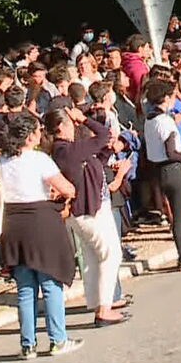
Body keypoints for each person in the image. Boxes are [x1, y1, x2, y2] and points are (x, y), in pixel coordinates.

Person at [0, 114, 84, 359]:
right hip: (41, 222)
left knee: (25, 287)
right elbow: (67, 188)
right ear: (30, 135)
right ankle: (57, 339)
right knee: (50, 282)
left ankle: (28, 344)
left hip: (13, 223)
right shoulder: (39, 159)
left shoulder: (2, 161)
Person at [47, 108, 129, 325]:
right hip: (88, 210)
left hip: (89, 208)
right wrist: (83, 118)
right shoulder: (66, 150)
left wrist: (107, 152)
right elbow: (104, 134)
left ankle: (98, 303)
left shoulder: (67, 151)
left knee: (93, 257)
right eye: (72, 124)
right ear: (63, 127)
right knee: (110, 255)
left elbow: (93, 162)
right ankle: (104, 308)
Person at [144, 81, 181, 269]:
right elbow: (171, 152)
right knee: (180, 216)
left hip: (158, 170)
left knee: (176, 215)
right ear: (165, 99)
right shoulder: (165, 121)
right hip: (173, 168)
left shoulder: (149, 120)